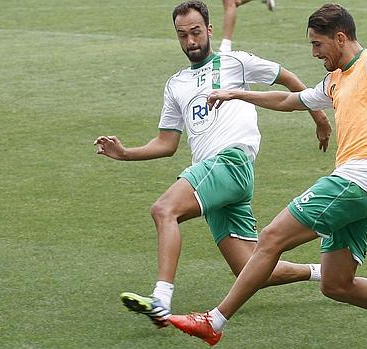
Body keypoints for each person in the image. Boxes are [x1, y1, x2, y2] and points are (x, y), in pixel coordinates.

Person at [169, 3, 367, 349]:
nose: (314, 53)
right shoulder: (335, 80)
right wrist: (236, 93)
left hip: (359, 180)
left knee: (271, 238)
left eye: (317, 44)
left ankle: (214, 322)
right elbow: (291, 99)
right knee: (336, 284)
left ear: (339, 38)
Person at [94, 0, 331, 329]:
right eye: (182, 35)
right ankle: (320, 271)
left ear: (209, 29)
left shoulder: (236, 62)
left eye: (195, 33)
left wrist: (319, 119)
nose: (190, 42)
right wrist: (125, 153)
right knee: (249, 270)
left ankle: (161, 299)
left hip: (230, 162)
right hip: (215, 178)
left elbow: (287, 77)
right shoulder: (175, 84)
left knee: (164, 210)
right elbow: (167, 143)